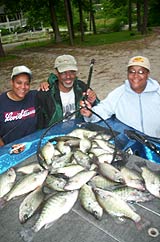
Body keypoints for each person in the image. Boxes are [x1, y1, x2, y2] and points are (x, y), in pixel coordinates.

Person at [80, 55, 160, 138]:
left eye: (141, 72)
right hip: (131, 144)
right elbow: (103, 109)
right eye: (131, 71)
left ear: (148, 74)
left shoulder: (158, 93)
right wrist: (90, 113)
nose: (135, 75)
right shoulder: (119, 93)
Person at [36, 54, 99, 129]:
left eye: (72, 72)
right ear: (56, 72)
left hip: (79, 131)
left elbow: (99, 111)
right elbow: (39, 126)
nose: (68, 76)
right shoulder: (45, 94)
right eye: (63, 72)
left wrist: (93, 102)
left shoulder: (82, 87)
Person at [0, 65, 48, 146]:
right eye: (19, 83)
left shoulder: (35, 96)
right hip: (10, 152)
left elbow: (57, 89)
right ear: (11, 82)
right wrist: (5, 149)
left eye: (27, 84)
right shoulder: (1, 102)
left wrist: (47, 83)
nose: (23, 87)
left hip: (33, 147)